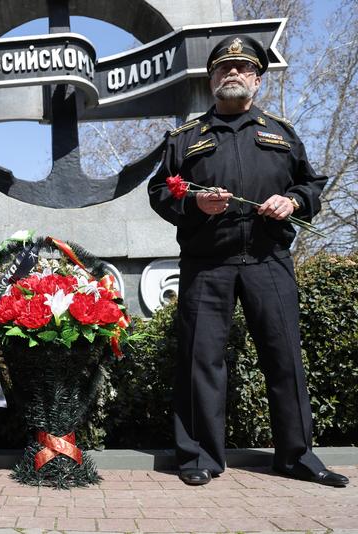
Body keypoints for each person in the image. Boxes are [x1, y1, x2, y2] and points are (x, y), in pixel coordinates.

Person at [148, 35, 349, 488]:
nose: (232, 74)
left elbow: (311, 183)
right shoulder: (185, 138)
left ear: (257, 80)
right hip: (207, 263)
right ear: (211, 80)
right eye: (223, 69)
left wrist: (293, 202)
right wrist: (196, 204)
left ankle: (296, 456)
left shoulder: (282, 132)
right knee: (201, 360)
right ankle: (198, 456)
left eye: (242, 68)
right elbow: (160, 191)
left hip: (268, 260)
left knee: (284, 358)